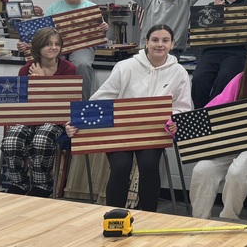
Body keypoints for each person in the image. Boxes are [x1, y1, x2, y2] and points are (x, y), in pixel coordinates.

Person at [67, 24, 192, 212]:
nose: (160, 44)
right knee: (120, 167)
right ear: (146, 43)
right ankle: (114, 217)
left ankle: (149, 216)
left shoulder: (179, 72)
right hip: (120, 131)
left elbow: (183, 106)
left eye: (165, 40)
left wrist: (173, 120)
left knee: (149, 165)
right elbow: (102, 98)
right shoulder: (126, 66)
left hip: (154, 131)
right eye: (155, 40)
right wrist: (77, 121)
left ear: (172, 44)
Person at [189, 35, 247, 220]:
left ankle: (228, 219)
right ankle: (198, 221)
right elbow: (217, 103)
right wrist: (189, 121)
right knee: (202, 169)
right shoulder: (241, 77)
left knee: (237, 172)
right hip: (233, 141)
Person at [1, 27, 78, 197]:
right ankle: (19, 183)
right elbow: (22, 103)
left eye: (57, 44)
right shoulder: (26, 69)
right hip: (30, 117)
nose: (53, 47)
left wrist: (43, 80)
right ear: (38, 47)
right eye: (48, 44)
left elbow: (65, 102)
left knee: (42, 138)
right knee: (12, 139)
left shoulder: (68, 69)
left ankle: (42, 185)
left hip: (56, 119)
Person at [26, 0, 109, 103]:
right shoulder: (54, 8)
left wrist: (103, 29)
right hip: (57, 46)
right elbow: (41, 33)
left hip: (83, 47)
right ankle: (53, 104)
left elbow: (98, 33)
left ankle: (81, 106)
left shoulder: (92, 8)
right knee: (52, 63)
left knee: (82, 64)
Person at [190, 0, 247, 108]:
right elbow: (199, 32)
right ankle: (200, 113)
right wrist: (214, 11)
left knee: (225, 77)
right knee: (198, 79)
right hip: (211, 52)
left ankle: (213, 111)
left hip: (237, 53)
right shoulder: (211, 7)